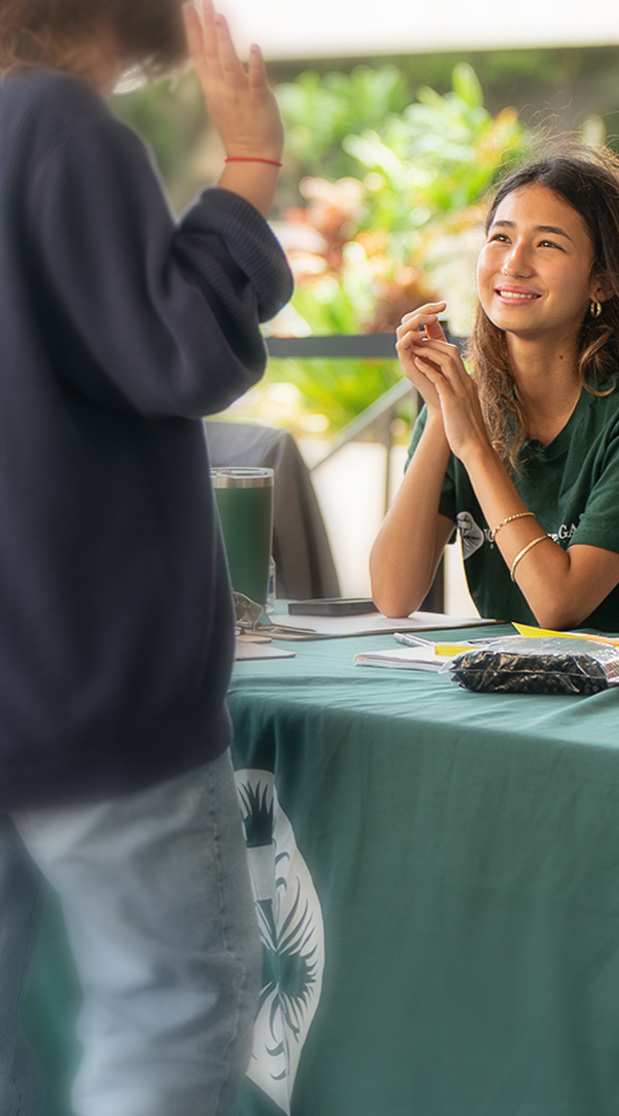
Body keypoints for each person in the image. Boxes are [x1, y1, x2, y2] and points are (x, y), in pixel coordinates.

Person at [0, 1, 291, 1113]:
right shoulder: (58, 125)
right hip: (87, 685)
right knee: (167, 1014)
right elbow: (175, 351)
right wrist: (249, 166)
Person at [370, 148, 619, 635]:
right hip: (510, 689)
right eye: (500, 237)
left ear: (603, 283)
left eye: (547, 245)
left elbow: (560, 605)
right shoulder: (461, 405)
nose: (514, 263)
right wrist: (442, 414)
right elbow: (394, 595)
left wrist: (474, 447)